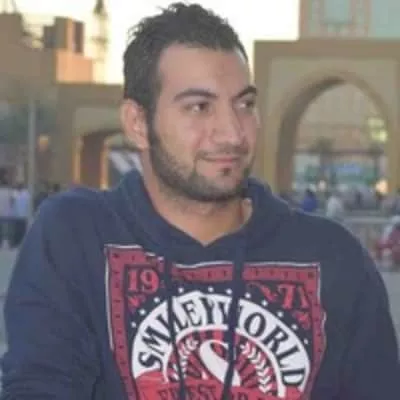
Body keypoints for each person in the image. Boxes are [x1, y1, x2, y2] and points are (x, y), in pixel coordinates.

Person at [1, 3, 399, 400]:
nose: (232, 133)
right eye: (199, 107)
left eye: (244, 104)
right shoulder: (77, 238)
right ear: (138, 123)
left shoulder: (333, 259)